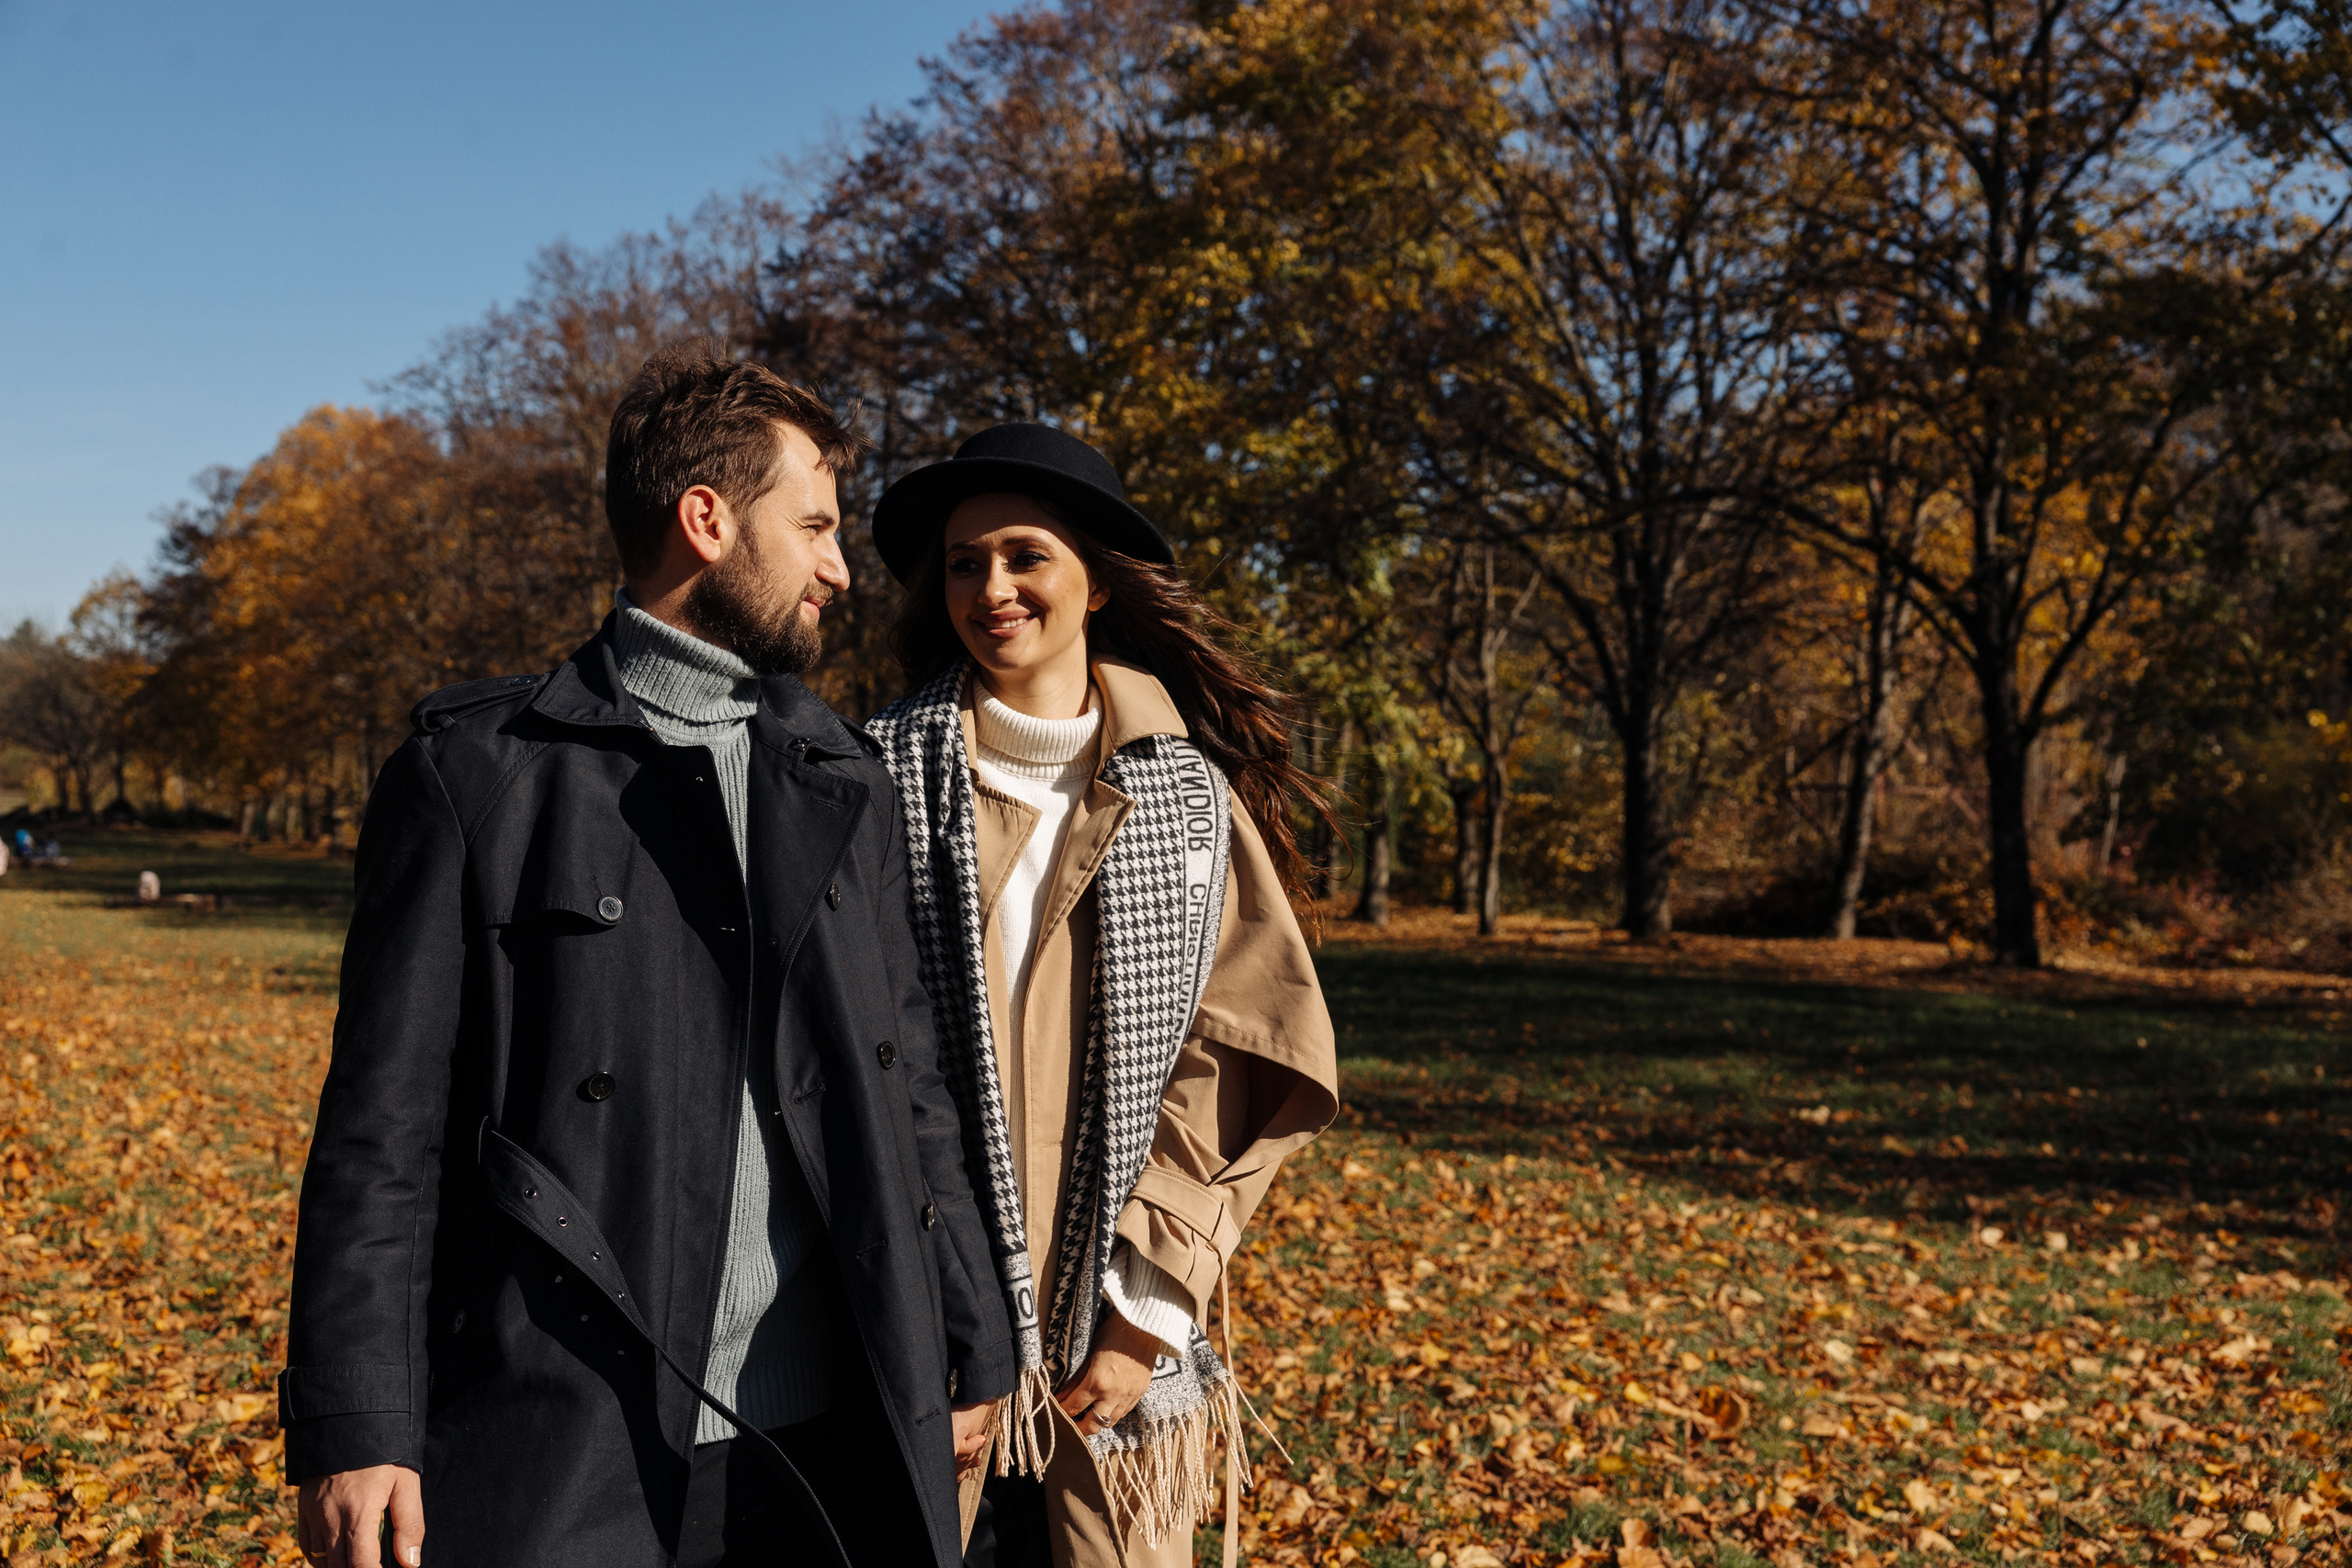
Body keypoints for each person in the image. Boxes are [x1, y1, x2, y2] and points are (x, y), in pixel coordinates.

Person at [282, 351, 1014, 1568]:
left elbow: (910, 1079)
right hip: (568, 1433)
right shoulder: (478, 775)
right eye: (817, 525)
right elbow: (380, 1130)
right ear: (708, 520)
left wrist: (966, 1336)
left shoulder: (843, 776)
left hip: (833, 1437)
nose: (842, 565)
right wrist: (356, 1419)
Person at [865, 424, 1341, 1567]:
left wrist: (1143, 1321)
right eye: (963, 562)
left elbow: (1244, 1059)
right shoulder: (867, 777)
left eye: (1025, 555)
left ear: (1093, 582)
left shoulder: (1187, 803)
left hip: (1114, 1361)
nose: (993, 588)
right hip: (912, 1336)